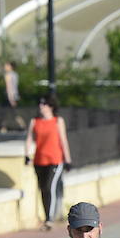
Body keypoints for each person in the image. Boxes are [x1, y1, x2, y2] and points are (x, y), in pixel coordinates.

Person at [25, 97, 71, 230]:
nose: (41, 106)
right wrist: (27, 155)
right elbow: (29, 138)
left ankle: (49, 220)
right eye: (39, 103)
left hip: (55, 160)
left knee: (49, 186)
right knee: (43, 189)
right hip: (39, 160)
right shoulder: (35, 121)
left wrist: (67, 159)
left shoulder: (58, 121)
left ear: (51, 106)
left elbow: (63, 140)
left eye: (44, 104)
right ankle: (47, 215)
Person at [0, 61, 26, 133]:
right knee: (8, 112)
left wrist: (10, 99)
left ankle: (22, 125)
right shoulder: (15, 74)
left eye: (7, 65)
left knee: (10, 113)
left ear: (10, 66)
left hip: (9, 97)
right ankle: (4, 127)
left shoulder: (8, 75)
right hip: (15, 96)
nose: (5, 67)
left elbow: (9, 87)